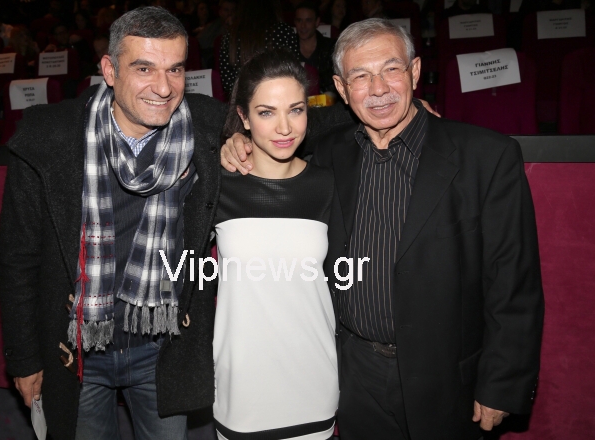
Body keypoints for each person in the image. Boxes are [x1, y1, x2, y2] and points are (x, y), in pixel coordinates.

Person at [221, 18, 544, 440]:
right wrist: (236, 139)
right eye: (361, 76)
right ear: (341, 88)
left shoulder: (486, 157)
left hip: (447, 381)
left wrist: (503, 382)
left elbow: (514, 282)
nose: (378, 89)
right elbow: (274, 122)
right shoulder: (330, 155)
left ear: (415, 71)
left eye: (391, 69)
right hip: (354, 378)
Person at [0, 6, 228, 440]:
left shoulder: (207, 126)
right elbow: (18, 257)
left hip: (162, 347)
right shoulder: (49, 138)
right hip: (76, 350)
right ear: (109, 69)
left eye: (175, 69)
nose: (164, 87)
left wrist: (239, 144)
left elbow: (289, 122)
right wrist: (24, 358)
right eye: (144, 68)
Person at [213, 48, 338, 439]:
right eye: (266, 112)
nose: (285, 127)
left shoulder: (327, 185)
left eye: (295, 110)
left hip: (313, 381)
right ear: (244, 117)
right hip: (241, 390)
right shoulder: (218, 186)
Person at [219, 0, 300, 97]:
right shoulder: (284, 31)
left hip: (243, 99)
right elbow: (294, 71)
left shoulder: (231, 34)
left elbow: (227, 81)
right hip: (278, 96)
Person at [294, 1, 336, 94]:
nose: (303, 26)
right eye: (299, 20)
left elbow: (334, 83)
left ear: (317, 22)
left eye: (308, 20)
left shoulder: (330, 47)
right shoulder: (288, 48)